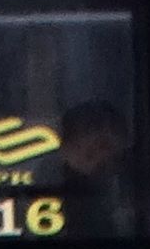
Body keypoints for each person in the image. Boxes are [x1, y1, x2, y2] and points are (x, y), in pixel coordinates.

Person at [54, 99, 134, 238]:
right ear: (67, 148)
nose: (104, 157)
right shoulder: (50, 190)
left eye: (108, 148)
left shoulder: (137, 188)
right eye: (90, 153)